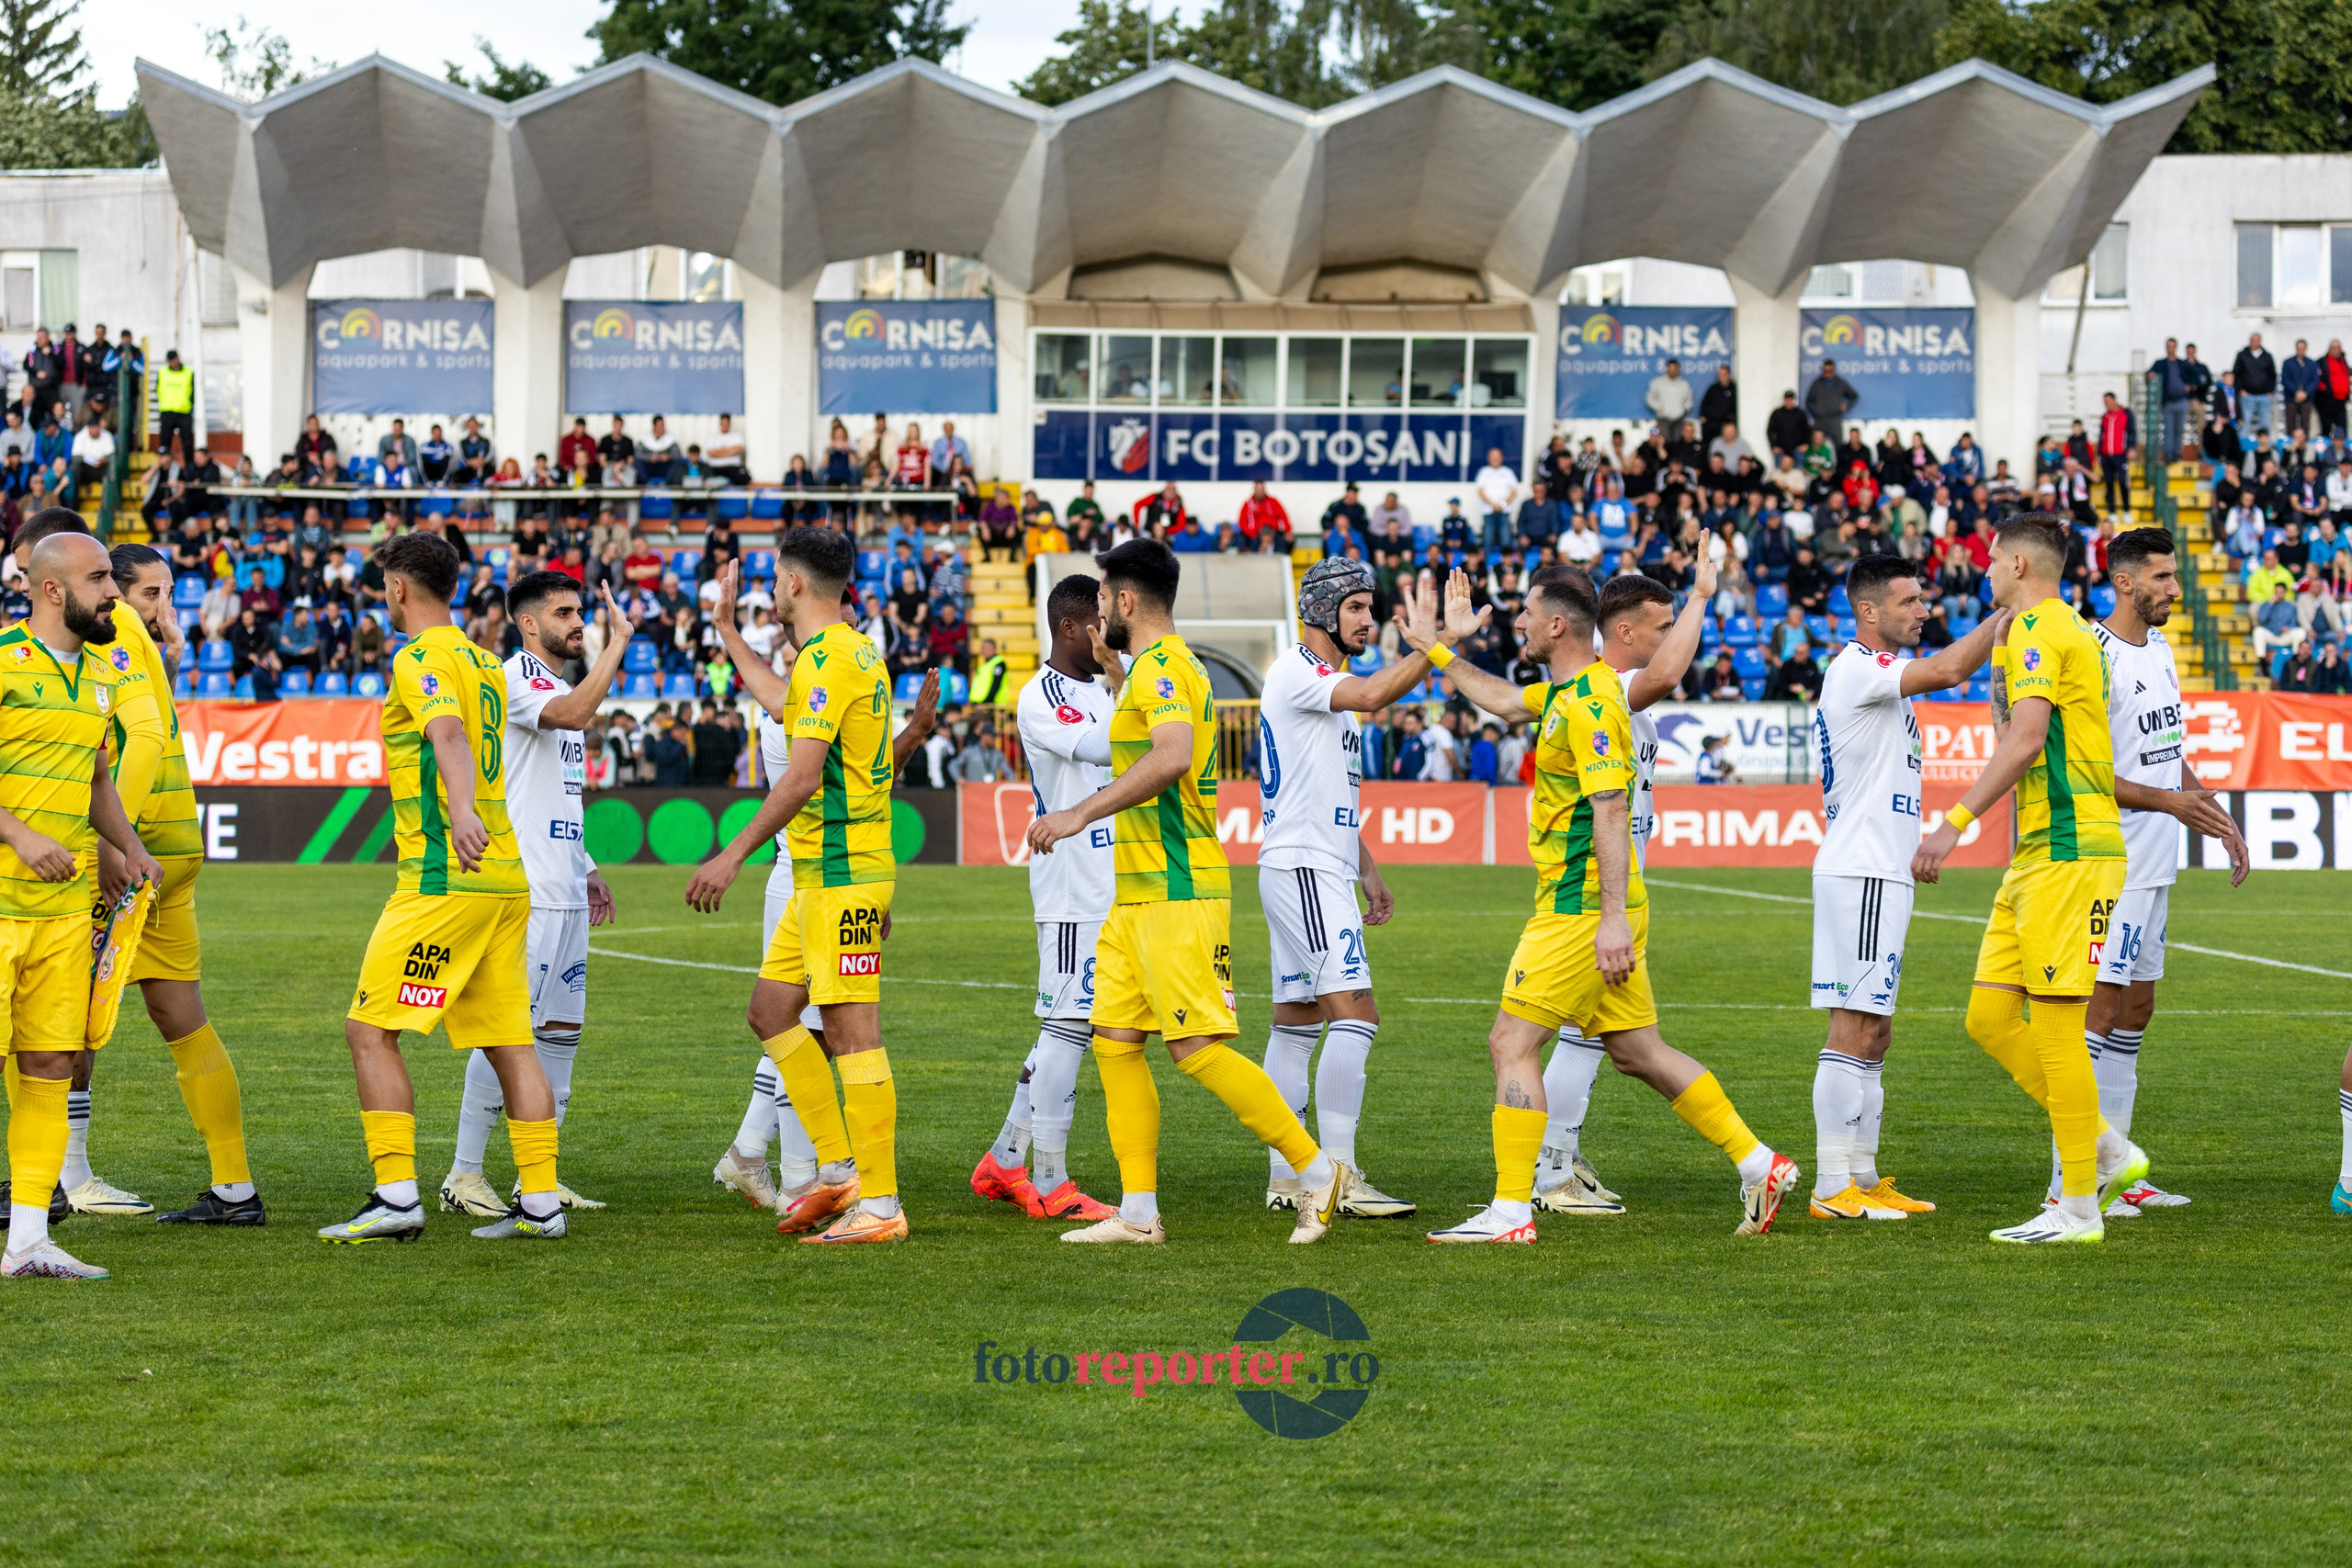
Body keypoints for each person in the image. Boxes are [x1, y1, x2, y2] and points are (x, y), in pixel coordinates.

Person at [1402, 565, 1797, 1243]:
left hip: (1581, 906)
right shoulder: (1567, 692)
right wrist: (1437, 650)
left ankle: (1509, 1211)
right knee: (1639, 1050)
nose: (1517, 622)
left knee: (1511, 1042)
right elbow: (1500, 698)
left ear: (1557, 625)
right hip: (1600, 904)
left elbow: (1610, 809)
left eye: (1526, 612)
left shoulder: (1589, 704)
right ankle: (1759, 1162)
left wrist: (1610, 918)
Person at [1027, 538, 1357, 1246]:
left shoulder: (1169, 667)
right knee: (1114, 1043)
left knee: (1197, 1048)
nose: (1099, 611)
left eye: (1105, 598)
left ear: (1124, 600)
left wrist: (1077, 814)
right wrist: (1120, 682)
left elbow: (1173, 756)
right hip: (1137, 896)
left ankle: (1315, 1165)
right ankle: (1139, 1212)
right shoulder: (1151, 670)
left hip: (1177, 890)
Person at [320, 533, 568, 1245]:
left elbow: (449, 736)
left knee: (370, 1030)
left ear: (399, 587)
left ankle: (396, 1195)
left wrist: (458, 811)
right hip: (504, 878)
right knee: (511, 1043)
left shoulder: (419, 655)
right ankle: (542, 1203)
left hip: (444, 877)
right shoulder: (488, 663)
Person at [1912, 513, 2145, 1245]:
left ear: (2018, 563)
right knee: (1987, 1017)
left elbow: (2027, 736)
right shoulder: (2034, 629)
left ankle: (2079, 1205)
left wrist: (1952, 823)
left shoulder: (2048, 627)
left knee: (2054, 1025)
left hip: (2072, 852)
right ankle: (2104, 1147)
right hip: (2041, 850)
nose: (1982, 567)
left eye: (1990, 559)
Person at [684, 527, 906, 1245]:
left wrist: (734, 854)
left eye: (776, 578)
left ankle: (882, 1203)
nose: (772, 590)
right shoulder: (844, 651)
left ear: (793, 584)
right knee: (772, 1012)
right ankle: (842, 1169)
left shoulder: (830, 659)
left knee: (850, 1033)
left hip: (841, 872)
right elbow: (783, 702)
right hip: (823, 874)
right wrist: (725, 632)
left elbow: (802, 776)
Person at [1804, 556, 2007, 1220]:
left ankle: (1862, 1177)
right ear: (1870, 611)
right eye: (1911, 600)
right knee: (1852, 1026)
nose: (1924, 609)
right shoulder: (1857, 667)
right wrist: (2011, 611)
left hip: (1881, 871)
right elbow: (1950, 668)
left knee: (1876, 1030)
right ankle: (1833, 1185)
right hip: (1861, 869)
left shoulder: (1880, 680)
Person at [435, 571, 636, 1219]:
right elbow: (577, 713)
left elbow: (556, 786)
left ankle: (537, 1178)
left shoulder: (554, 682)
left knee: (559, 1038)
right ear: (529, 625)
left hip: (564, 885)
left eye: (581, 611)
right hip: (528, 890)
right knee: (508, 1034)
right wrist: (617, 643)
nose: (578, 622)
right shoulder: (514, 677)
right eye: (565, 612)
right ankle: (463, 1175)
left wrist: (588, 863)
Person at [1529, 558, 1720, 1218]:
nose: (1672, 637)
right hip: (1594, 892)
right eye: (1662, 625)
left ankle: (1557, 1159)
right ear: (1624, 631)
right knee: (1575, 1034)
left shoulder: (1607, 685)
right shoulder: (1612, 685)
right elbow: (1667, 674)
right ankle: (1548, 1168)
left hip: (1616, 884)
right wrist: (1701, 595)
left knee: (1595, 1034)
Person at [0, 526, 168, 1278]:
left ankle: (28, 1238)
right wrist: (19, 835)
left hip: (64, 916)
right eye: (102, 578)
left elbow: (97, 777)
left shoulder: (101, 671)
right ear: (52, 590)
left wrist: (127, 845)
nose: (113, 591)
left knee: (49, 1061)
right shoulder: (6, 662)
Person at [2071, 530, 2249, 1216]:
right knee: (2100, 1008)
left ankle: (2119, 1167)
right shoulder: (2094, 655)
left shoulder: (2163, 649)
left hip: (2156, 861)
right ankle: (2077, 1174)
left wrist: (2209, 807)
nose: (2176, 589)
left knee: (2137, 1009)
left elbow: (2164, 753)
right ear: (2123, 582)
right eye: (2164, 577)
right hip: (2110, 862)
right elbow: (2084, 772)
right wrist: (2172, 802)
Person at [1255, 558, 1440, 1220]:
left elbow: (1324, 788)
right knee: (1356, 1014)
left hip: (1309, 860)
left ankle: (1286, 1174)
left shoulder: (1315, 680)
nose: (1368, 619)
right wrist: (1435, 648)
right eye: (1357, 607)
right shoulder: (1301, 670)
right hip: (1305, 867)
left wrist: (1365, 864)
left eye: (1370, 607)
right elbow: (1370, 695)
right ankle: (1336, 1172)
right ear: (1323, 611)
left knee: (1298, 1022)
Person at [969, 575, 1122, 1224]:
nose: (1111, 632)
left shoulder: (1105, 686)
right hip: (1070, 884)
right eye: (1102, 622)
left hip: (1113, 881)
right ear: (1071, 627)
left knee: (1072, 1026)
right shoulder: (1042, 694)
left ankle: (1006, 1159)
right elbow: (1101, 747)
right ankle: (1054, 1182)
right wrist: (1136, 683)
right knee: (1068, 1024)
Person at [1805, 359, 1859, 449]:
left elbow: (1854, 396)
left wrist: (1847, 406)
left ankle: (1839, 464)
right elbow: (1808, 402)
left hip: (1835, 419)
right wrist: (1817, 411)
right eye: (1826, 372)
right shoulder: (1817, 383)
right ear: (1822, 371)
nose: (1828, 374)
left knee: (1839, 447)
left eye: (1831, 371)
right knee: (1814, 444)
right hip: (1820, 420)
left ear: (1835, 371)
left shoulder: (1841, 383)